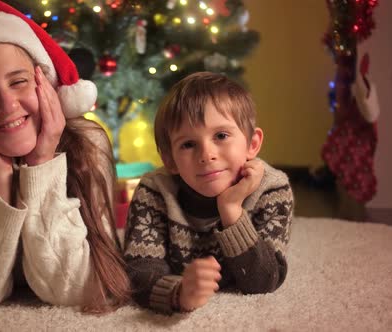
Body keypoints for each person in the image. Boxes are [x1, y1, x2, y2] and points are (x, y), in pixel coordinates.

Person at [0, 0, 129, 313]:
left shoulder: (89, 141)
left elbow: (76, 287)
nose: (7, 105)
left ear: (45, 82)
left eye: (18, 82)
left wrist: (41, 164)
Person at [123, 72, 294, 314]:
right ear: (170, 159)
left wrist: (231, 209)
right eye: (188, 144)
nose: (207, 154)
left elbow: (264, 281)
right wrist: (178, 293)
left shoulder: (272, 189)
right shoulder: (155, 191)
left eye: (221, 136)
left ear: (252, 144)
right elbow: (138, 271)